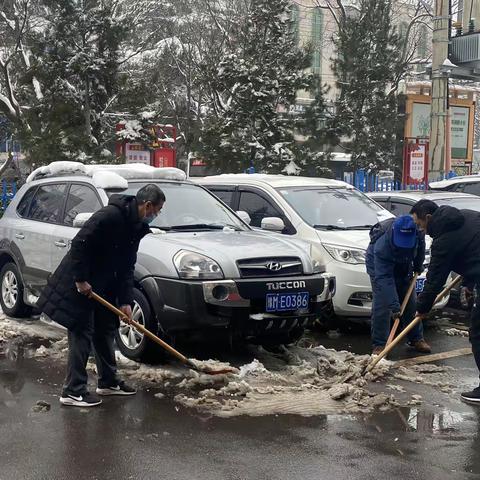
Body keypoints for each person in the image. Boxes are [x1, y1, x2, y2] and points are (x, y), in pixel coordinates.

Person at [37, 184, 165, 407]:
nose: (157, 215)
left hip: (103, 284)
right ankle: (73, 390)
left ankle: (108, 382)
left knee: (106, 329)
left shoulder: (135, 226)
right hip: (80, 282)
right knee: (81, 332)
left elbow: (127, 265)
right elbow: (79, 244)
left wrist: (125, 300)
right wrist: (80, 279)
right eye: (158, 210)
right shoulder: (109, 216)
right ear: (147, 205)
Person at [411, 199, 480, 403]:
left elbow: (434, 280)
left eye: (419, 224)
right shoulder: (467, 215)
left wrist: (421, 308)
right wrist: (469, 281)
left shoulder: (443, 241)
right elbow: (474, 251)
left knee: (477, 332)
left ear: (429, 218)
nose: (420, 230)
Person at [366, 214, 431, 356]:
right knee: (383, 304)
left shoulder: (418, 233)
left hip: (404, 263)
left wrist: (418, 266)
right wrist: (394, 306)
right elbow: (384, 278)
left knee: (411, 302)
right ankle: (380, 344)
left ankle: (415, 338)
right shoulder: (382, 245)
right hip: (379, 268)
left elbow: (420, 249)